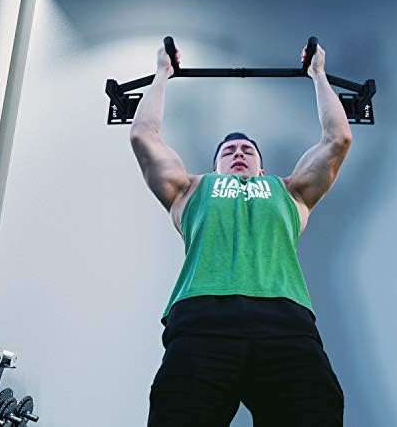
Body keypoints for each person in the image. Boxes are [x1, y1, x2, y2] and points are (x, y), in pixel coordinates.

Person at [129, 40, 352, 426]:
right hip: (202, 322)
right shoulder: (190, 189)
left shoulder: (290, 191)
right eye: (229, 150)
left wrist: (318, 74)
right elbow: (143, 136)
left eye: (247, 150)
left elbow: (338, 139)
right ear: (214, 166)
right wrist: (163, 72)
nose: (238, 152)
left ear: (262, 169)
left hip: (285, 324)